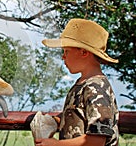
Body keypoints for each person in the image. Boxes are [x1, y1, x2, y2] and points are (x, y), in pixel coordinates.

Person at [34, 18, 119, 146]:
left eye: (66, 51)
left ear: (84, 52)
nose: (63, 57)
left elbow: (96, 141)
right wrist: (57, 120)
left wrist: (56, 145)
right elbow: (80, 113)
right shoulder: (83, 84)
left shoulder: (96, 89)